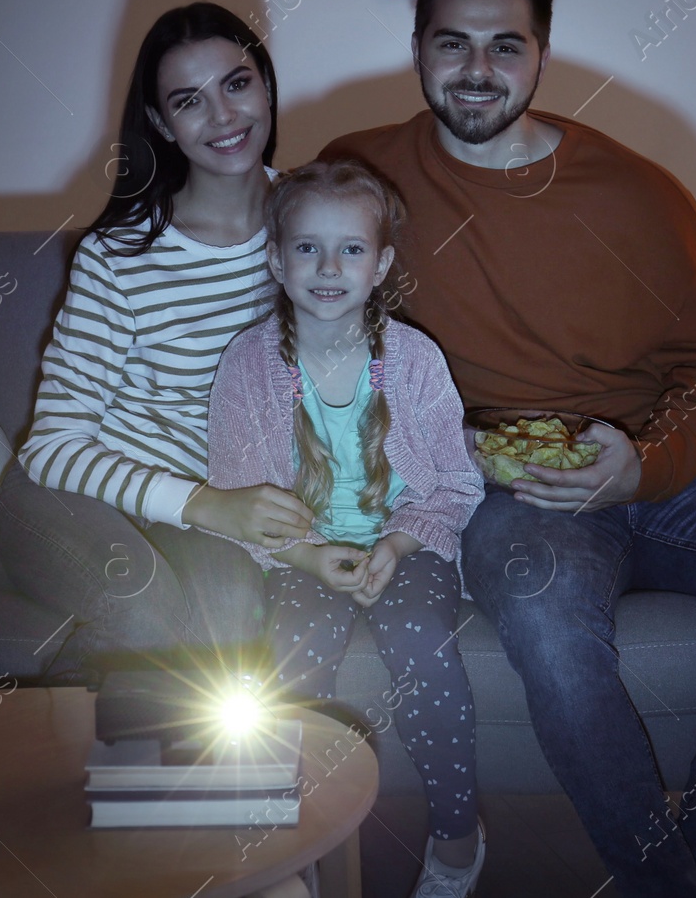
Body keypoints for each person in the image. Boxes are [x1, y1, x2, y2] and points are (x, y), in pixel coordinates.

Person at [319, 0, 696, 898]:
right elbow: (325, 347)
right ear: (418, 47)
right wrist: (452, 444)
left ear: (542, 54)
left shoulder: (638, 193)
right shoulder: (365, 180)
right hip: (505, 491)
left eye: (505, 46)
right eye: (452, 43)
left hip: (661, 469)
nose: (477, 72)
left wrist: (644, 462)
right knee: (546, 620)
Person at [0, 2, 316, 685]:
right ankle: (53, 760)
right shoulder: (119, 256)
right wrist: (208, 505)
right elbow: (51, 447)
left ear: (266, 84)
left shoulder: (314, 226)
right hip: (72, 493)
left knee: (234, 626)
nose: (224, 117)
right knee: (139, 603)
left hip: (202, 516)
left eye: (236, 83)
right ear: (161, 125)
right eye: (188, 102)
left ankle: (188, 779)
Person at [204, 160, 487, 898]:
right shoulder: (246, 367)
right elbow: (238, 499)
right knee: (289, 661)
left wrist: (393, 544)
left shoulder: (417, 362)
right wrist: (308, 554)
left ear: (382, 263)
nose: (329, 268)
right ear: (275, 257)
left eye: (351, 249)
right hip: (297, 557)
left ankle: (458, 834)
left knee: (425, 645)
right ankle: (282, 843)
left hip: (405, 547)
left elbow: (457, 483)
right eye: (307, 248)